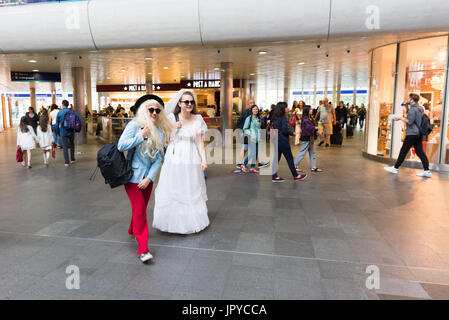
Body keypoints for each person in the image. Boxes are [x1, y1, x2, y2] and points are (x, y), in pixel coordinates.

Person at [117, 94, 172, 262]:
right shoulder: (134, 125)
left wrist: (149, 178)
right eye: (151, 110)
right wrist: (140, 136)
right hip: (132, 178)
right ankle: (143, 250)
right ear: (144, 110)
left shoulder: (160, 132)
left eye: (157, 110)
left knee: (139, 210)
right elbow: (121, 145)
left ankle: (132, 230)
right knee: (140, 211)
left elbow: (157, 159)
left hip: (147, 180)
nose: (154, 113)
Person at [153, 89, 209, 234]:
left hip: (191, 157)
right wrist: (172, 129)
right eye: (186, 102)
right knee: (174, 185)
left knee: (191, 186)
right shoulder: (172, 118)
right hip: (175, 156)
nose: (189, 104)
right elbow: (164, 139)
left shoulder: (198, 119)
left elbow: (200, 142)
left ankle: (190, 220)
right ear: (179, 103)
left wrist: (204, 160)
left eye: (191, 102)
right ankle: (172, 221)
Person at [384, 93, 432, 177]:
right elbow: (413, 117)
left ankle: (395, 168)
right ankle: (427, 170)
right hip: (418, 133)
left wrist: (399, 118)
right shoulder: (420, 107)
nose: (408, 99)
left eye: (409, 98)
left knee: (403, 151)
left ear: (412, 100)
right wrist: (406, 106)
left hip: (412, 133)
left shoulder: (413, 109)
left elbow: (410, 121)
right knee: (420, 152)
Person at [271, 102, 307, 182]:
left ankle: (274, 176)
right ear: (282, 109)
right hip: (282, 140)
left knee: (276, 158)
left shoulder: (274, 117)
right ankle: (296, 175)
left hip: (275, 139)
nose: (288, 109)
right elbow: (284, 130)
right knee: (289, 158)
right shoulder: (283, 117)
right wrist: (292, 133)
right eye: (286, 107)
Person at [294, 105, 322, 173]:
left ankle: (313, 167)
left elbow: (312, 126)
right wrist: (316, 128)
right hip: (306, 138)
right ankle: (294, 165)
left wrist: (316, 128)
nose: (312, 110)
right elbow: (308, 127)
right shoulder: (305, 118)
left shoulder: (310, 118)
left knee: (312, 152)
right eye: (310, 109)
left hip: (310, 138)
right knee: (302, 152)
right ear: (307, 110)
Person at [55, 100, 82, 167]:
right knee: (72, 144)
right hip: (71, 131)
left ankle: (67, 162)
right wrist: (76, 128)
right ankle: (72, 159)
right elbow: (79, 120)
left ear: (62, 105)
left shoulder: (59, 112)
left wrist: (57, 132)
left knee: (64, 146)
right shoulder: (73, 112)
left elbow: (56, 124)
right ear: (68, 105)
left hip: (63, 132)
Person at [241, 105, 261, 173]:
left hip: (257, 138)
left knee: (255, 153)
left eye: (256, 109)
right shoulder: (249, 118)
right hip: (251, 138)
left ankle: (252, 167)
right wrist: (251, 134)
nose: (255, 110)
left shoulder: (258, 118)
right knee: (252, 153)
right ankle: (243, 165)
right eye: (254, 109)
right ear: (251, 110)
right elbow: (245, 128)